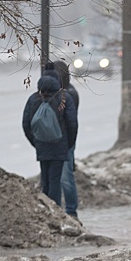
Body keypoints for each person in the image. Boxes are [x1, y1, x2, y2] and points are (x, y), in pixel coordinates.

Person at [22, 62, 78, 210]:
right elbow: (72, 124)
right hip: (60, 146)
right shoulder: (65, 98)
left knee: (45, 180)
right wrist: (68, 144)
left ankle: (45, 211)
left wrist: (36, 141)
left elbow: (26, 124)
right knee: (55, 180)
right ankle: (55, 211)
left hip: (41, 145)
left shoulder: (33, 99)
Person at [53, 60, 80, 219]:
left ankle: (71, 211)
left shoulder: (68, 94)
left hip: (65, 140)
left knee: (65, 177)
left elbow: (70, 121)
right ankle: (66, 210)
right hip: (64, 140)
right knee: (61, 176)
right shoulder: (67, 91)